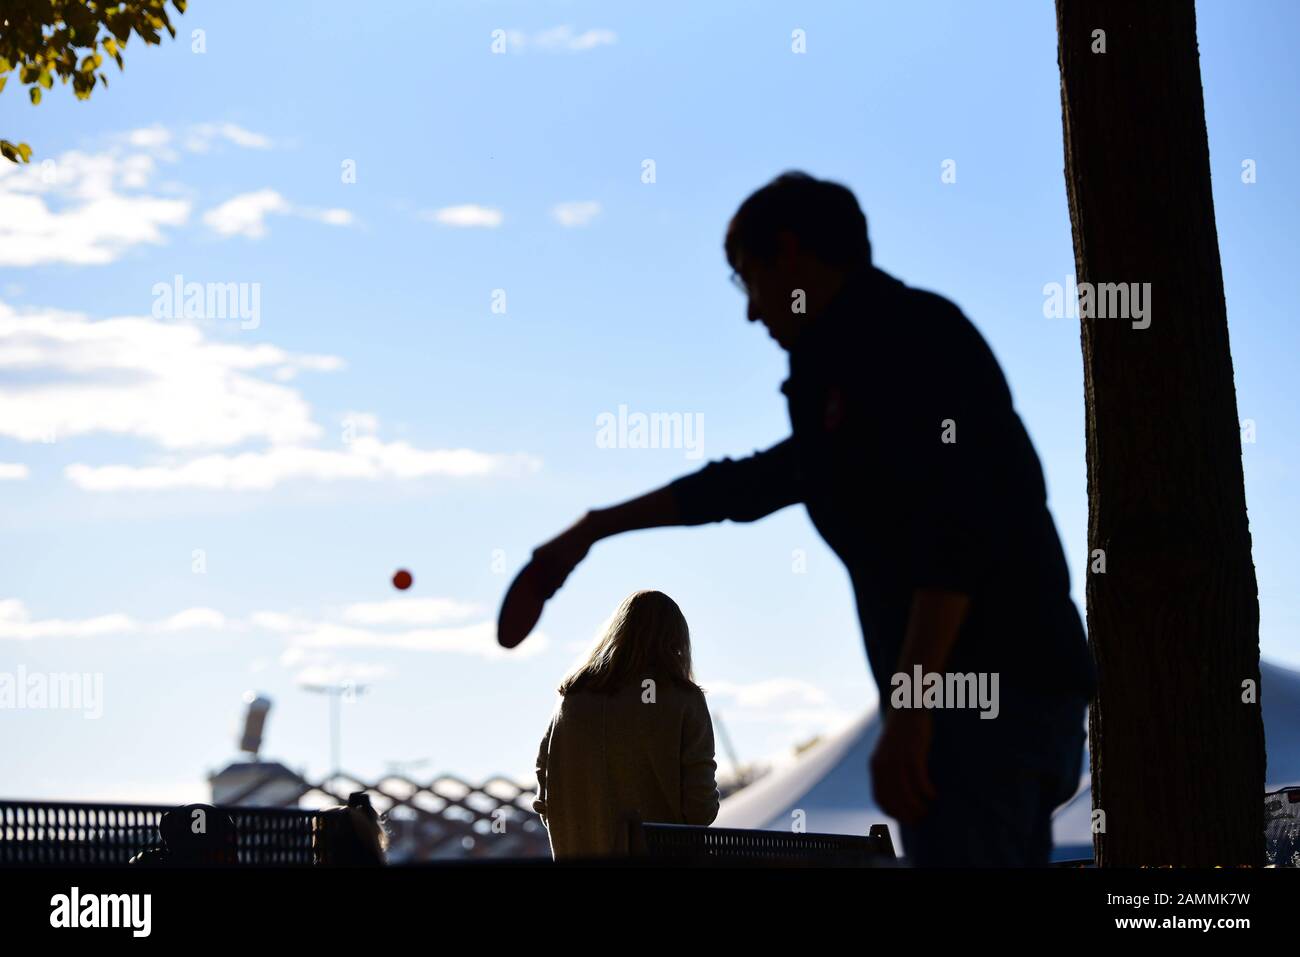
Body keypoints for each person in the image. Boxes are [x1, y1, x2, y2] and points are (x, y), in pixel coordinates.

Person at [506, 172, 1096, 866]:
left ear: (788, 253)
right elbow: (751, 483)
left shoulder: (913, 339)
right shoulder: (840, 374)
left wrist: (910, 710)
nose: (752, 311)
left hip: (992, 699)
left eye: (746, 277)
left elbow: (958, 533)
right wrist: (591, 529)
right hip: (979, 704)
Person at [533, 589, 720, 858]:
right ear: (676, 639)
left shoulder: (572, 699)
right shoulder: (682, 699)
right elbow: (700, 807)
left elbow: (544, 786)